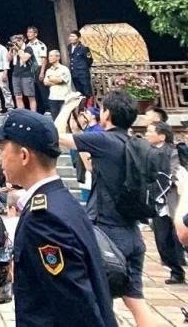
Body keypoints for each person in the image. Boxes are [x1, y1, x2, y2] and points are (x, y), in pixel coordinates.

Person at [0, 109, 117, 327]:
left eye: (2, 149)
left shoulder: (44, 219)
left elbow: (74, 305)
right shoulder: (60, 201)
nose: (0, 158)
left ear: (24, 156)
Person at [58, 90, 158, 326]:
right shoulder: (136, 143)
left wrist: (67, 106)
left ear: (107, 114)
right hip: (132, 233)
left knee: (98, 300)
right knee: (135, 299)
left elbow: (55, 136)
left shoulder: (103, 140)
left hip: (107, 234)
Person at [145, 121, 184, 285]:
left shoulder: (173, 151)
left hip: (174, 199)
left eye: (150, 131)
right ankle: (176, 271)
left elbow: (176, 171)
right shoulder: (147, 151)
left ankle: (178, 269)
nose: (147, 134)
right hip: (157, 201)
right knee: (162, 239)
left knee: (179, 237)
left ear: (162, 135)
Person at [9, 34, 38, 112]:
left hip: (27, 75)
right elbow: (8, 59)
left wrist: (18, 49)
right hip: (16, 75)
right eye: (14, 42)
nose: (16, 43)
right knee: (18, 96)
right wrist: (10, 50)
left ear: (22, 41)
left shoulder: (28, 48)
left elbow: (24, 58)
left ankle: (33, 114)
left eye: (18, 41)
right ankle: (22, 114)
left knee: (30, 96)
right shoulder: (14, 49)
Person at [25, 26, 50, 112]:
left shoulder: (40, 44)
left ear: (35, 34)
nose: (28, 34)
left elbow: (44, 59)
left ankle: (47, 109)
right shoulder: (27, 45)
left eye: (30, 32)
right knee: (33, 91)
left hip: (38, 68)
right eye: (27, 32)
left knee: (43, 90)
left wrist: (42, 72)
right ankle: (38, 109)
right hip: (29, 69)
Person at [43, 50, 73, 118]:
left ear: (58, 57)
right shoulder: (49, 70)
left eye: (51, 56)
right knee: (55, 120)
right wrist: (55, 80)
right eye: (49, 56)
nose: (49, 58)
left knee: (65, 119)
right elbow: (45, 83)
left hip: (63, 98)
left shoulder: (64, 69)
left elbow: (60, 80)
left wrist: (50, 78)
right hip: (53, 98)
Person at [68, 30, 95, 97]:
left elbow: (89, 60)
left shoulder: (84, 48)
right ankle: (82, 104)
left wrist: (83, 68)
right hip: (74, 73)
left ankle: (89, 104)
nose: (71, 38)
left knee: (87, 91)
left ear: (78, 38)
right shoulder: (69, 47)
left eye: (73, 36)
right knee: (79, 92)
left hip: (83, 74)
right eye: (70, 36)